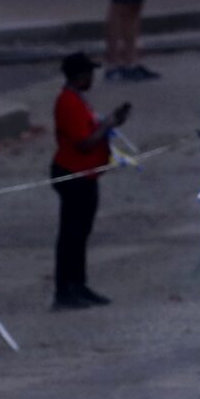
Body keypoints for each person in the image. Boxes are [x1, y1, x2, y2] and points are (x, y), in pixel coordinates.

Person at [50, 55, 124, 310]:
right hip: (73, 172)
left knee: (81, 232)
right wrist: (109, 125)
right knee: (71, 233)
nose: (91, 79)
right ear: (79, 76)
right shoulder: (67, 101)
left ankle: (78, 284)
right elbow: (83, 142)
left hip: (86, 173)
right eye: (88, 74)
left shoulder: (77, 99)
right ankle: (65, 288)